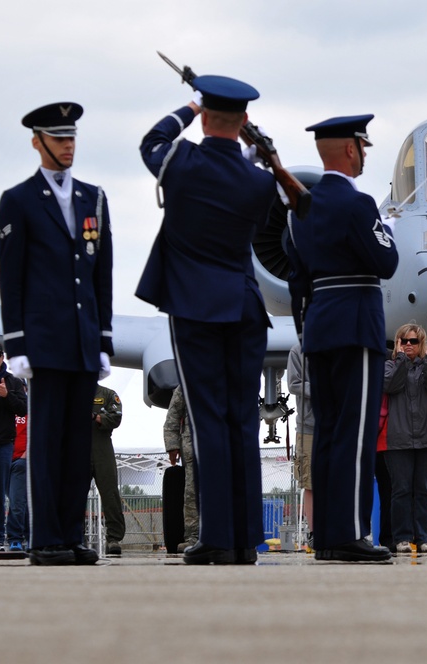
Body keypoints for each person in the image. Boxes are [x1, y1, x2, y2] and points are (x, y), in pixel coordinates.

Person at [137, 76, 278, 565]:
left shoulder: (181, 161)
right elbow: (261, 220)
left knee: (208, 421)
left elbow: (151, 142)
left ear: (205, 115)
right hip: (244, 306)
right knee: (241, 421)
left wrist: (185, 109)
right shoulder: (259, 179)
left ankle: (216, 535)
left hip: (195, 306)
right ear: (242, 121)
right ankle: (245, 539)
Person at [0, 102, 113, 566]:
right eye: (59, 138)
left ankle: (70, 535)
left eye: (72, 138)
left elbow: (101, 275)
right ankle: (46, 539)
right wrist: (17, 345)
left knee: (75, 445)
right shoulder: (18, 200)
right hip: (43, 341)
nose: (68, 146)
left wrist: (103, 340)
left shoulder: (93, 198)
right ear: (37, 142)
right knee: (45, 443)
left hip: (83, 340)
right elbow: (12, 279)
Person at [286, 114, 399, 562]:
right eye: (363, 148)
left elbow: (297, 280)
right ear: (351, 150)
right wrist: (387, 231)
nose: (365, 155)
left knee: (329, 432)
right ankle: (350, 533)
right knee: (355, 433)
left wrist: (307, 330)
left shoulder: (300, 211)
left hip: (319, 330)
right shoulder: (360, 204)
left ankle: (328, 535)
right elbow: (385, 261)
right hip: (357, 326)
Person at [383, 324, 427, 554]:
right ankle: (401, 538)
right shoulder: (390, 366)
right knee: (400, 491)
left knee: (423, 490)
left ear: (421, 344)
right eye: (404, 341)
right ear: (398, 343)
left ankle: (423, 538)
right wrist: (401, 359)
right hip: (398, 440)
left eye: (413, 341)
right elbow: (390, 385)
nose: (408, 345)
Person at [0, 342, 27, 551]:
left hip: (3, 446)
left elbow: (23, 410)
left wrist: (6, 396)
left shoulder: (13, 382)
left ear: (2, 357)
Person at [90, 383, 125, 555]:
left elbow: (116, 417)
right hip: (77, 446)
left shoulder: (108, 394)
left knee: (110, 493)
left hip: (101, 446)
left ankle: (114, 538)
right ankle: (75, 537)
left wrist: (96, 417)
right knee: (73, 495)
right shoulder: (71, 393)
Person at [163, 385, 198, 553]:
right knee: (191, 494)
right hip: (192, 446)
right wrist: (172, 445)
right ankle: (193, 537)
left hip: (216, 445)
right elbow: (173, 415)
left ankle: (219, 534)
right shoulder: (186, 382)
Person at [286, 343, 314, 550]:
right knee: (310, 483)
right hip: (308, 427)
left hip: (337, 425)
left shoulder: (340, 345)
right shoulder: (298, 351)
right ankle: (315, 533)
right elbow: (294, 383)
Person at [5, 409, 28, 552]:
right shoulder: (2, 409)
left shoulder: (29, 411)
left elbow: (36, 434)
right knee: (18, 501)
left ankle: (15, 538)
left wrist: (25, 455)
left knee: (17, 501)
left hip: (20, 461)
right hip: (3, 460)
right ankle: (29, 535)